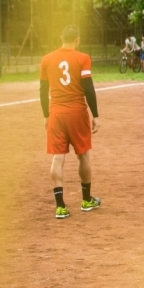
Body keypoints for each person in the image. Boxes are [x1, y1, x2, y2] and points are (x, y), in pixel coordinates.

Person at [39, 25, 101, 219]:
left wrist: (46, 115)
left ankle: (60, 207)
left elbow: (42, 90)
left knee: (58, 157)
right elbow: (88, 88)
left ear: (61, 37)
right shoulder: (83, 58)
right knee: (83, 156)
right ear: (78, 39)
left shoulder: (47, 59)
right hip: (77, 112)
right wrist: (95, 115)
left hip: (56, 113)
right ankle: (86, 200)